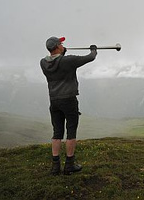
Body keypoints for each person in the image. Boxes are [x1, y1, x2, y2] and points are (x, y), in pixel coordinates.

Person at [40, 36, 97, 175]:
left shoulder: (43, 63)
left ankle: (55, 167)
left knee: (57, 133)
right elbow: (90, 57)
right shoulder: (68, 61)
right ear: (58, 46)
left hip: (54, 101)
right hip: (69, 100)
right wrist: (93, 49)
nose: (63, 45)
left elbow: (57, 60)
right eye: (62, 43)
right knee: (71, 132)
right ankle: (69, 165)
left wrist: (62, 52)